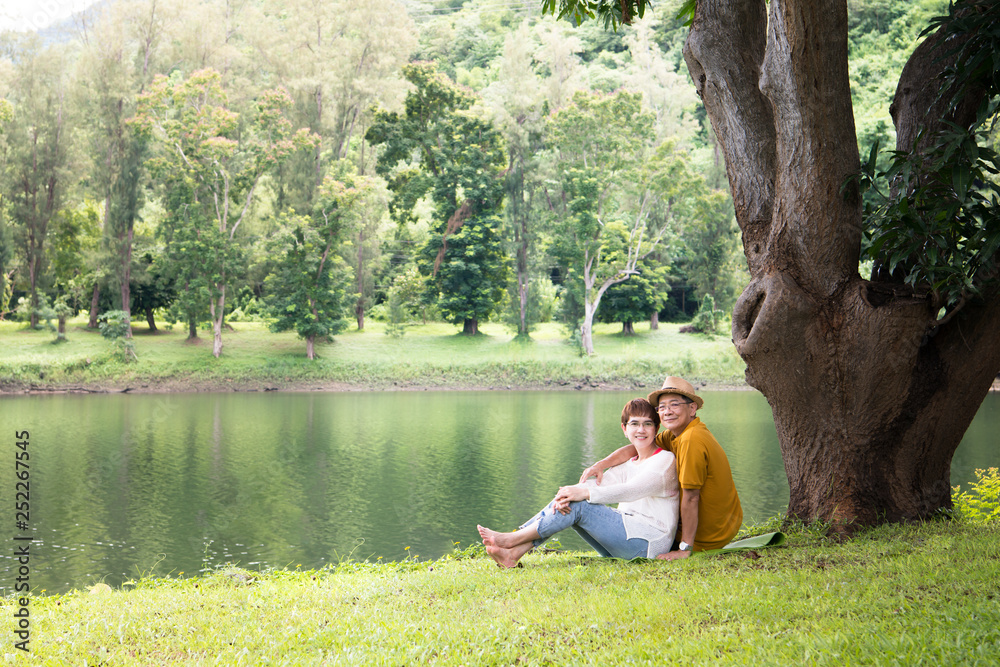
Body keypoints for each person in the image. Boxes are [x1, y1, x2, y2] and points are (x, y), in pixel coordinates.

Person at [477, 398, 679, 568]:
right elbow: (602, 484)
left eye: (647, 424)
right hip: (628, 537)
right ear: (624, 429)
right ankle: (512, 555)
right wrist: (569, 493)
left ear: (656, 428)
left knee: (580, 504)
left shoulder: (664, 461)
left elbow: (631, 491)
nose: (641, 430)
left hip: (649, 544)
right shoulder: (629, 463)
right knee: (572, 502)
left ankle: (513, 540)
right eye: (634, 424)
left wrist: (581, 494)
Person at [579, 376, 742, 560]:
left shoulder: (691, 439)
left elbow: (691, 498)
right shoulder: (675, 435)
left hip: (708, 534)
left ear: (692, 408)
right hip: (722, 525)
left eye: (674, 405)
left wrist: (685, 549)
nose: (667, 411)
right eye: (662, 407)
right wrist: (601, 465)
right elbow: (637, 446)